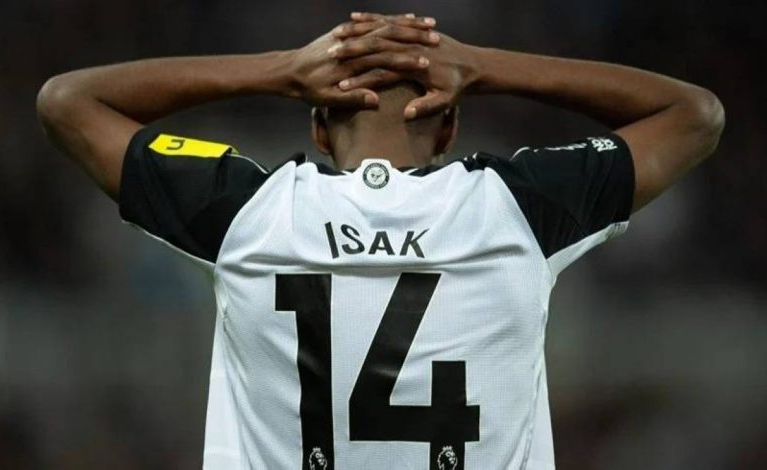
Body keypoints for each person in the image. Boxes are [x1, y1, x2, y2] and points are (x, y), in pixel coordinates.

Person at [36, 11, 724, 470]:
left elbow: (67, 102)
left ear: (317, 127)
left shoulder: (248, 214)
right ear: (450, 125)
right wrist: (486, 66)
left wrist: (277, 70)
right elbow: (695, 115)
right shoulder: (515, 209)